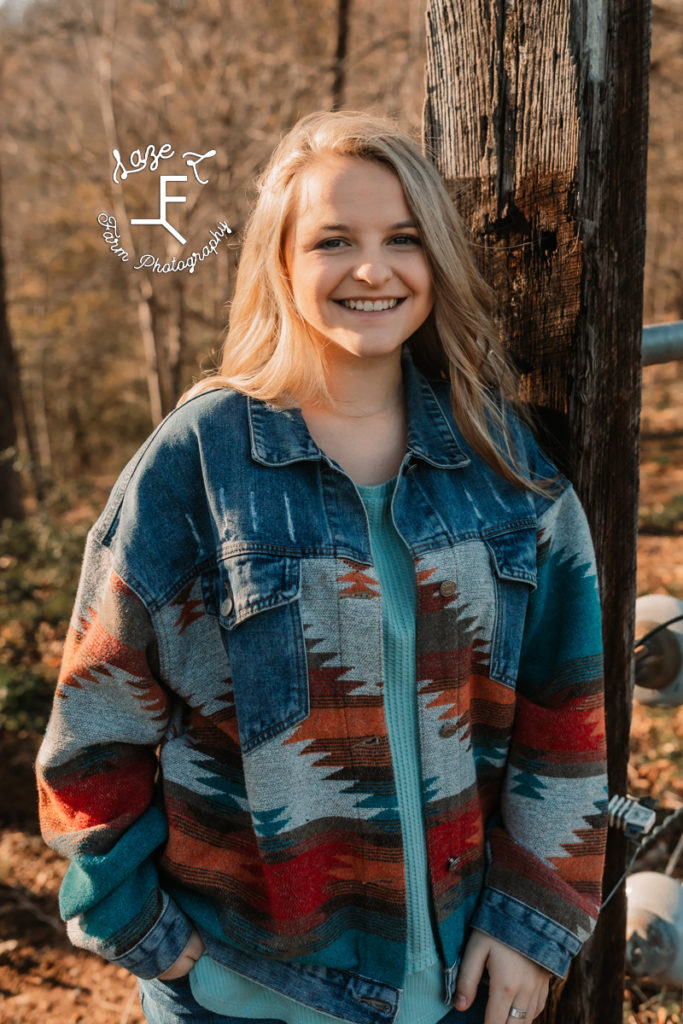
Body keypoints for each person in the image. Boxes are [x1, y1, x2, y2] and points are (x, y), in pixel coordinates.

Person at [36, 110, 608, 1024]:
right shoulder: (200, 463)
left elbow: (564, 713)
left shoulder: (505, 470)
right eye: (334, 239)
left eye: (402, 239)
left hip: (461, 983)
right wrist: (138, 926)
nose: (372, 269)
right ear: (281, 261)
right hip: (244, 985)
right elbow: (95, 722)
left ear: (436, 263)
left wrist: (536, 918)